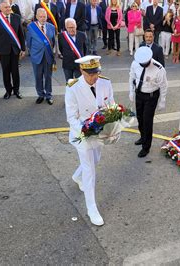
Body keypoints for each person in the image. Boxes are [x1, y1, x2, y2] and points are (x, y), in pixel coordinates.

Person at [65, 55, 114, 226]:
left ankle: (76, 176)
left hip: (99, 132)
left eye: (96, 72)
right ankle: (92, 208)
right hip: (83, 134)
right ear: (81, 70)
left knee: (96, 159)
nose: (94, 77)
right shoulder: (73, 88)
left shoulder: (105, 83)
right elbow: (71, 117)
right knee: (90, 170)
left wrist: (113, 128)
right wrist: (86, 131)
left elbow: (110, 107)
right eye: (90, 73)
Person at [129, 46, 168, 157]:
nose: (141, 65)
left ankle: (146, 147)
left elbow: (164, 85)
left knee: (147, 121)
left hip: (151, 96)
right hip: (139, 94)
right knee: (140, 118)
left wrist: (162, 100)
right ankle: (143, 137)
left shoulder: (158, 69)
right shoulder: (135, 63)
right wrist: (131, 91)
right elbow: (131, 77)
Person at [0, 0, 26, 100]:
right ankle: (8, 91)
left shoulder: (16, 17)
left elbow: (21, 34)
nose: (8, 9)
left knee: (15, 71)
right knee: (5, 71)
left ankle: (16, 90)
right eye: (6, 7)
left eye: (9, 7)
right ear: (0, 8)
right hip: (3, 50)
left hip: (15, 49)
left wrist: (23, 49)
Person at [27, 8, 56, 105]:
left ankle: (48, 95)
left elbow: (53, 43)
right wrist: (34, 53)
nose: (43, 18)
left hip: (48, 55)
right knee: (38, 77)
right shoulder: (31, 27)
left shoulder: (51, 27)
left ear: (47, 17)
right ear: (36, 17)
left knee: (48, 76)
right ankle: (40, 94)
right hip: (36, 56)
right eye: (41, 17)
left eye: (44, 16)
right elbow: (29, 43)